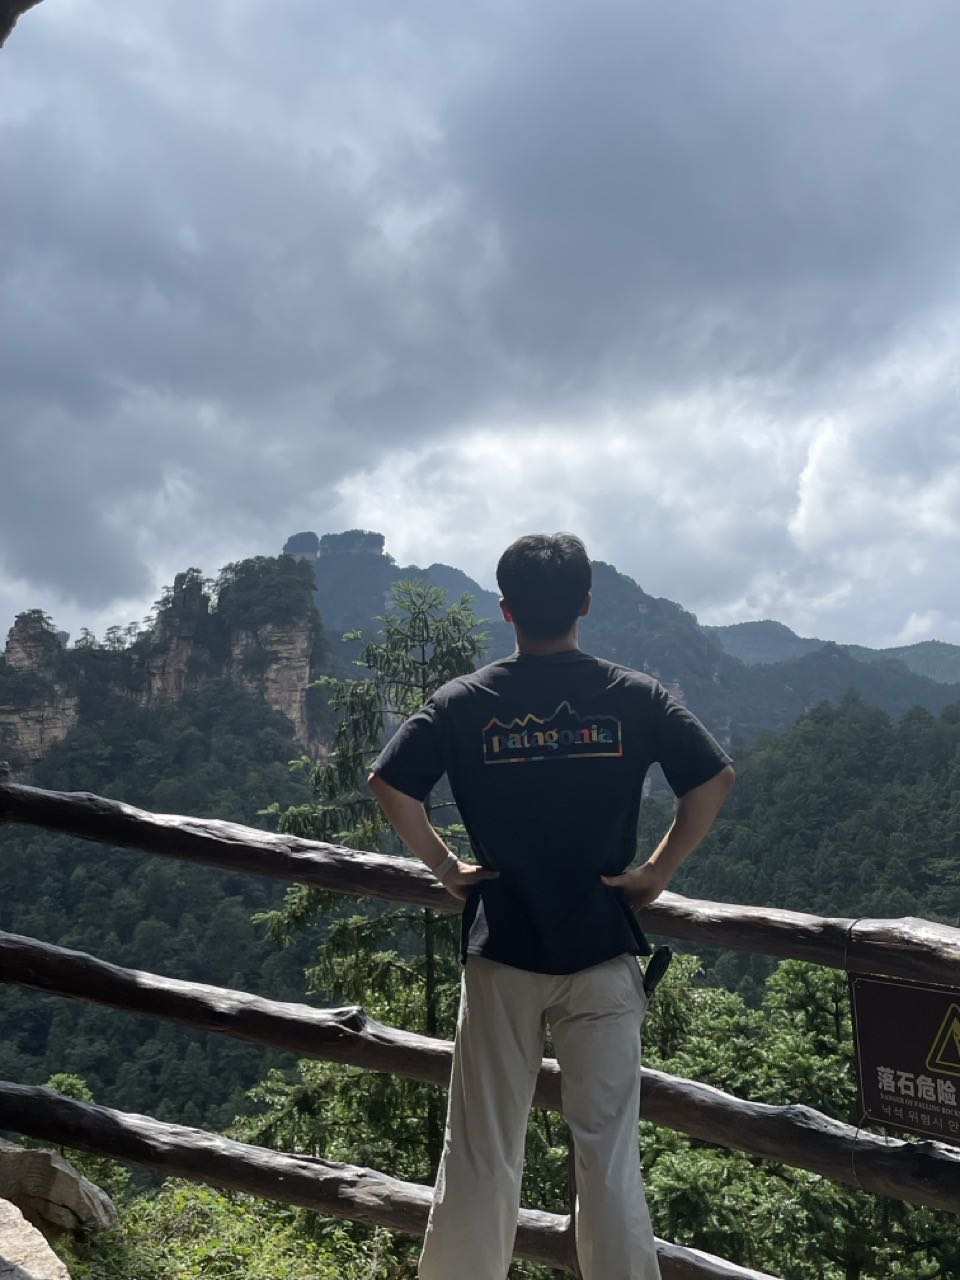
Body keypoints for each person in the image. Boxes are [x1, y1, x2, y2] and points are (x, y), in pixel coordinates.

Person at [369, 533, 735, 1280]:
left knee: (481, 1152)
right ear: (585, 604)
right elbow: (713, 778)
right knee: (608, 1157)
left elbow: (389, 782)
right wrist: (657, 872)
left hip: (502, 950)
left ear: (506, 609)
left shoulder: (465, 702)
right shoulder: (633, 694)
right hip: (601, 948)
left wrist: (445, 867)